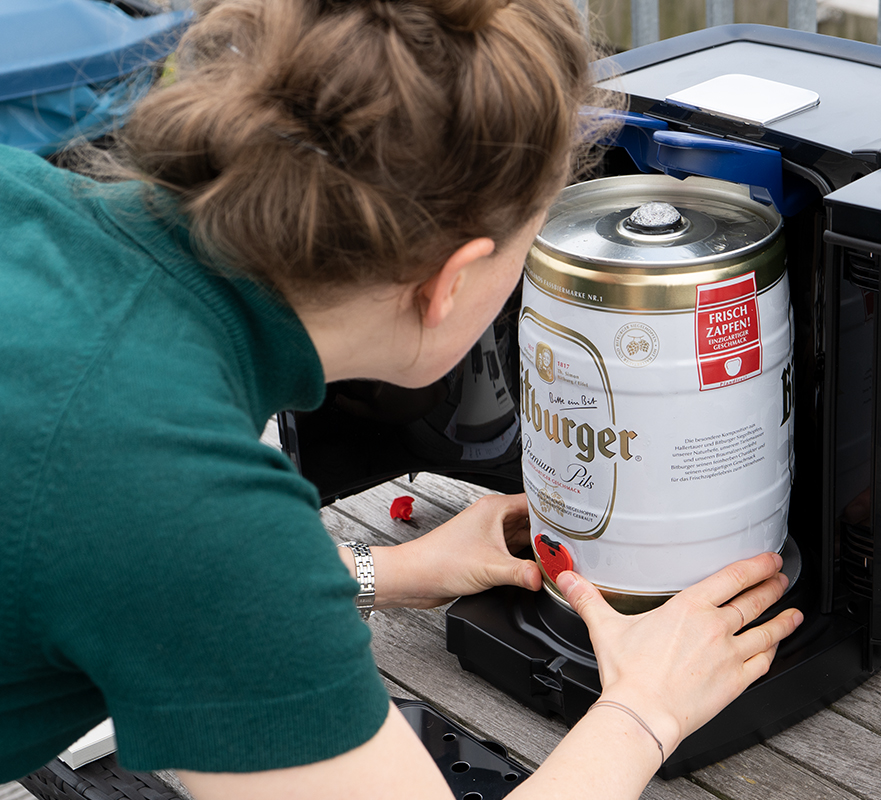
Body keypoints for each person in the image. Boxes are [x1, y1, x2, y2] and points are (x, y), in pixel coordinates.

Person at [0, 0, 803, 797]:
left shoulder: (28, 198)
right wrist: (645, 708)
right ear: (450, 283)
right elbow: (172, 545)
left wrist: (376, 573)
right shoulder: (186, 499)